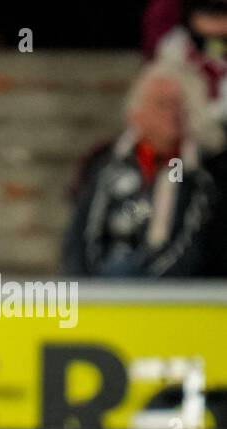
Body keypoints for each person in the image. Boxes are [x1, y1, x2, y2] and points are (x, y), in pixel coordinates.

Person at [62, 61, 227, 277]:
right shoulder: (105, 163)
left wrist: (149, 289)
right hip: (106, 285)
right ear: (136, 114)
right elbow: (80, 238)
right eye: (162, 104)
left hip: (174, 294)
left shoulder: (206, 173)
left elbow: (199, 247)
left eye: (179, 105)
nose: (173, 114)